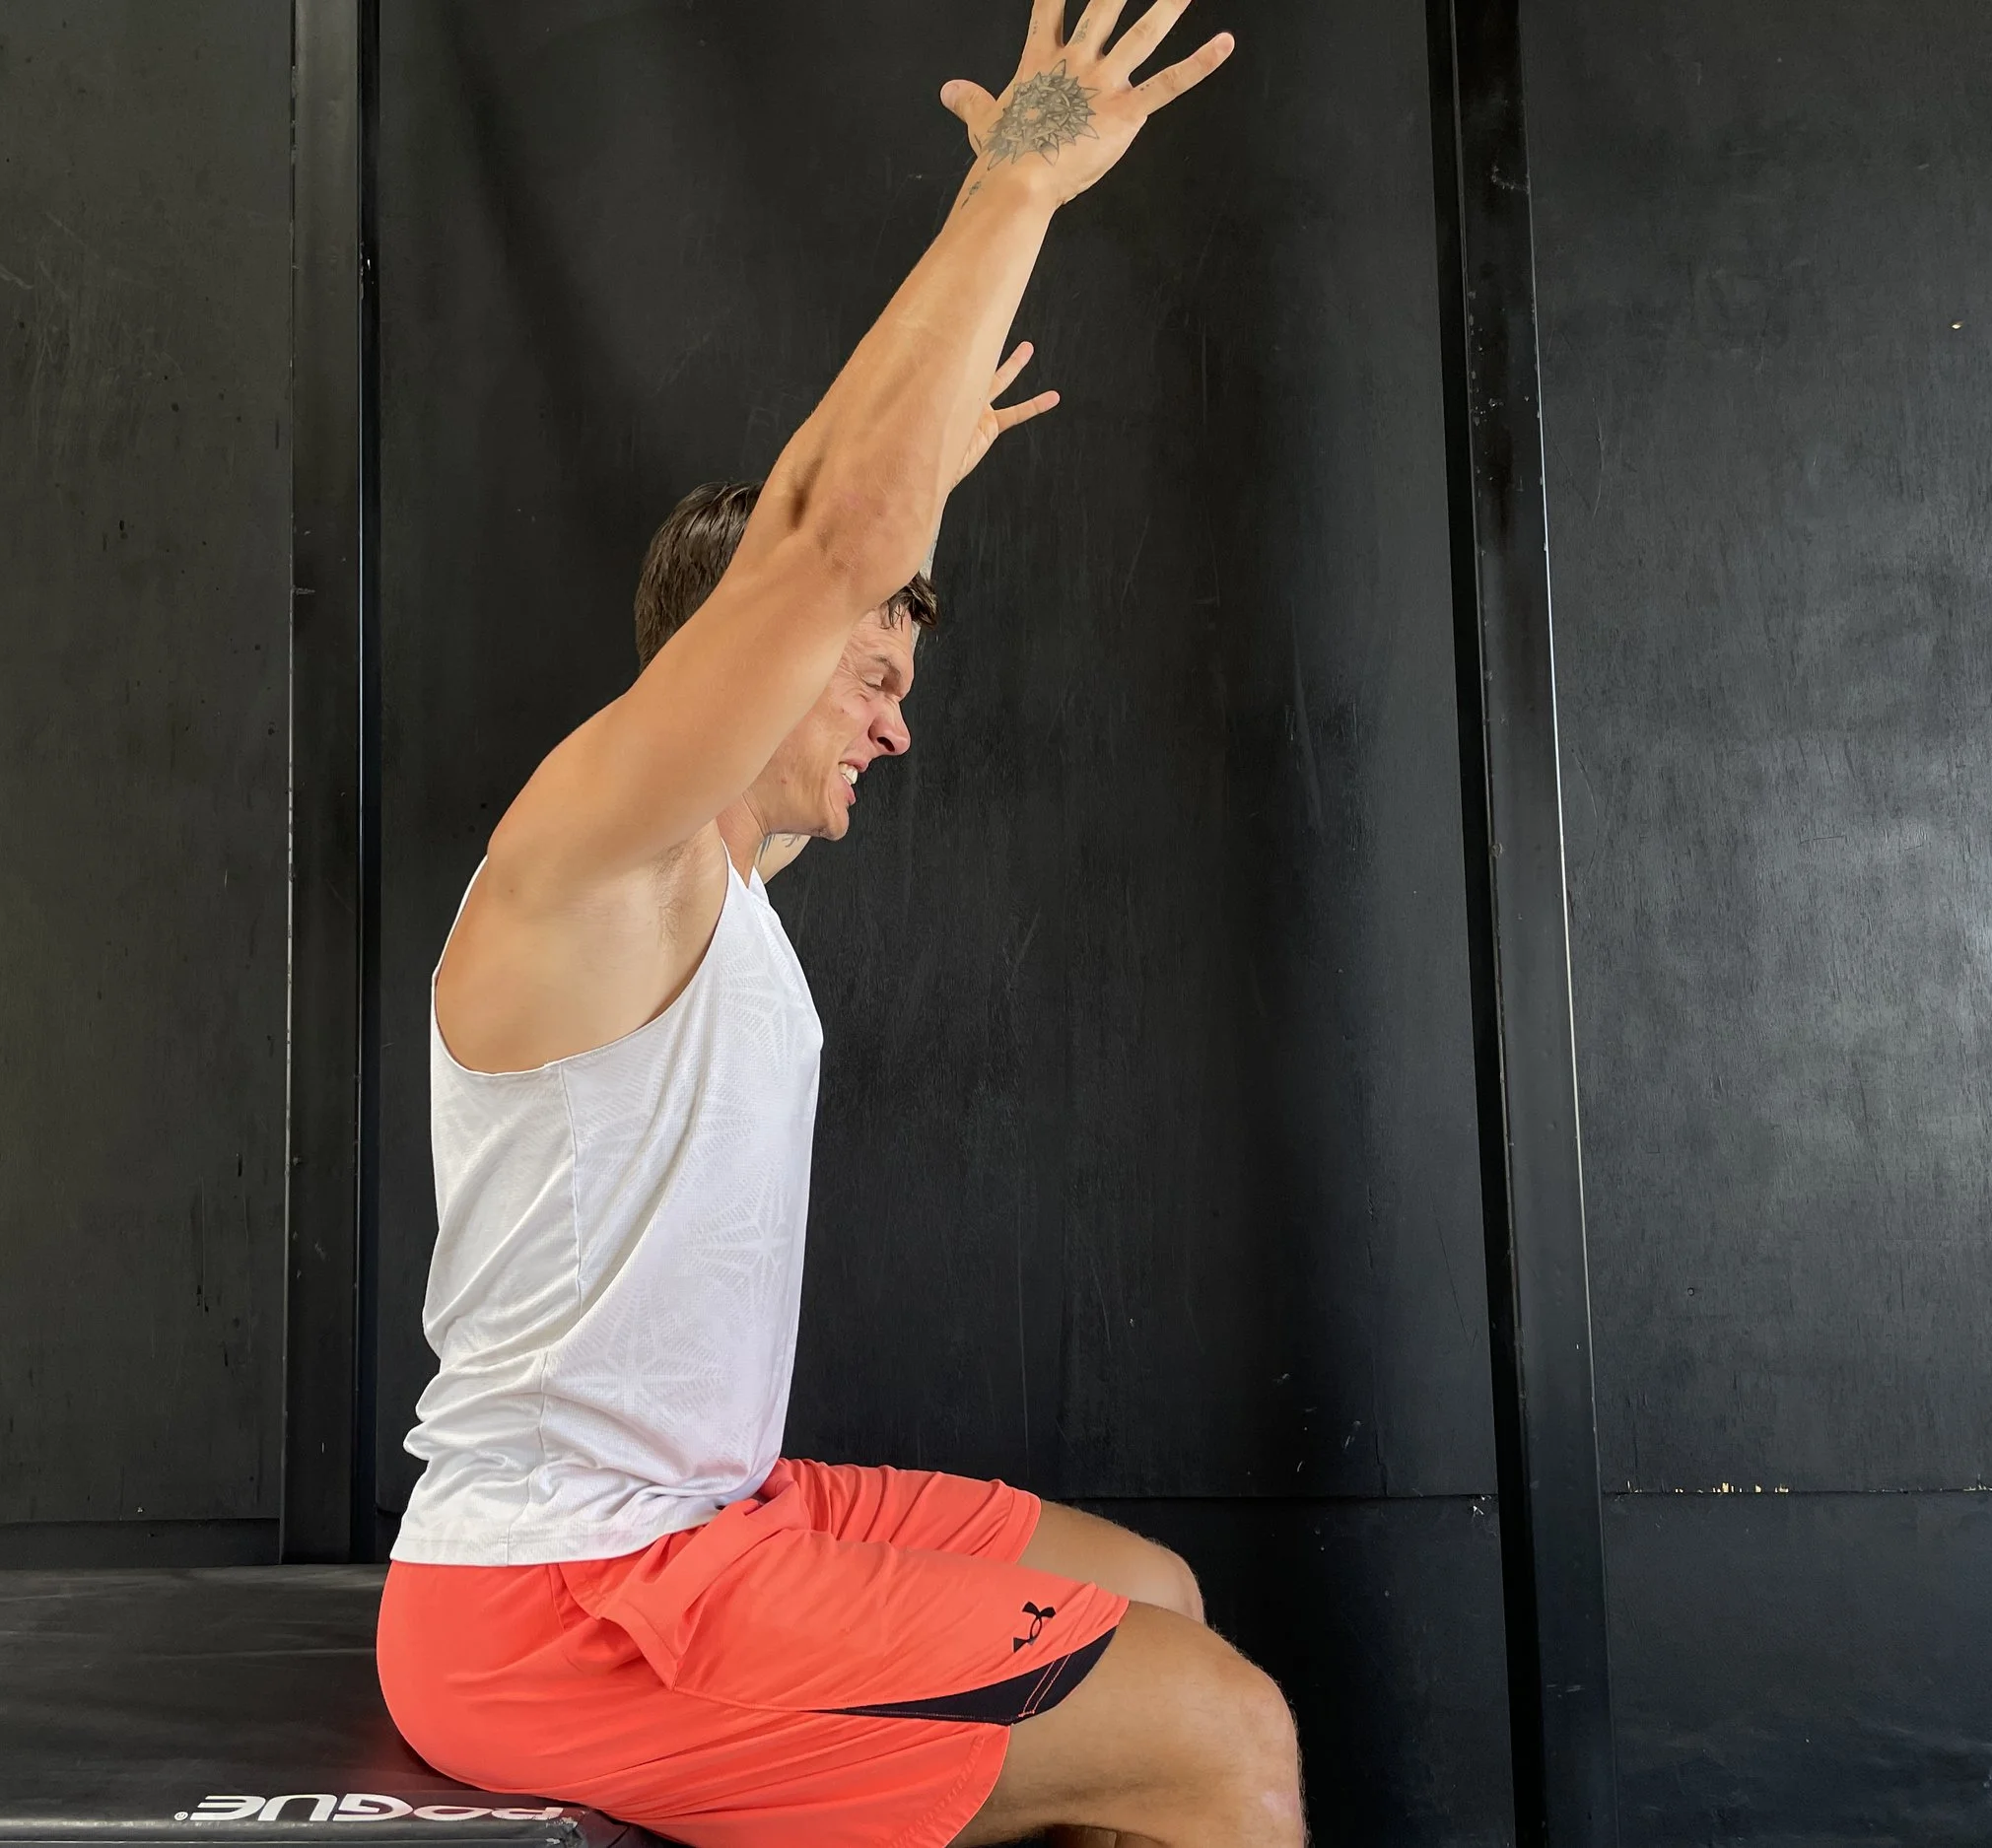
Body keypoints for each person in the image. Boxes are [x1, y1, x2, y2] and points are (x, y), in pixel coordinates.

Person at [376, 6, 1302, 1845]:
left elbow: (846, 529)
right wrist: (1015, 188)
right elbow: (817, 539)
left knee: (1162, 1600)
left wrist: (919, 466)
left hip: (711, 1515)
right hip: (556, 1598)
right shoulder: (595, 851)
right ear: (736, 658)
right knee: (1227, 1734)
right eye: (868, 674)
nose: (897, 724)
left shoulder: (726, 884)